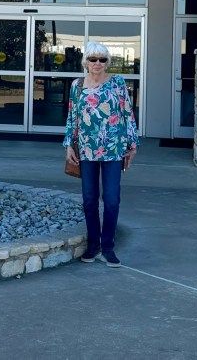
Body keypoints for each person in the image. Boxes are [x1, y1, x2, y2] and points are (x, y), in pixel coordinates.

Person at [63, 41, 139, 267]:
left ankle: (108, 246)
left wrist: (132, 144)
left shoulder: (117, 83)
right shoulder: (77, 86)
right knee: (89, 200)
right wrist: (69, 145)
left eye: (102, 59)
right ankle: (93, 244)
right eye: (93, 59)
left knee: (112, 200)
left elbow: (127, 113)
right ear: (85, 62)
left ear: (107, 63)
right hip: (86, 149)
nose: (97, 63)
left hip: (114, 149)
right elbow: (72, 117)